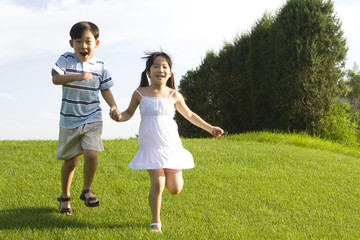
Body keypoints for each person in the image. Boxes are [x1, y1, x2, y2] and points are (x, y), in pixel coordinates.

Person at [113, 51, 224, 233]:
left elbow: (189, 115)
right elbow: (128, 113)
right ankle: (155, 222)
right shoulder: (139, 93)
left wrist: (210, 128)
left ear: (170, 73)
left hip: (171, 146)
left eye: (165, 67)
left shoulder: (173, 95)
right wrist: (118, 117)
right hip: (150, 146)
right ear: (148, 72)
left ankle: (175, 171)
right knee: (158, 182)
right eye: (156, 66)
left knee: (174, 189)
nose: (160, 70)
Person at [52, 21, 120, 215]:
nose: (83, 46)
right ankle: (65, 197)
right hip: (69, 119)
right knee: (71, 161)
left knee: (91, 154)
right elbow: (55, 79)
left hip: (93, 116)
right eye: (78, 41)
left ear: (96, 43)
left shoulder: (100, 65)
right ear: (71, 43)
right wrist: (79, 76)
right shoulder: (65, 59)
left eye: (88, 41)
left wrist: (113, 106)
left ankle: (86, 189)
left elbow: (105, 88)